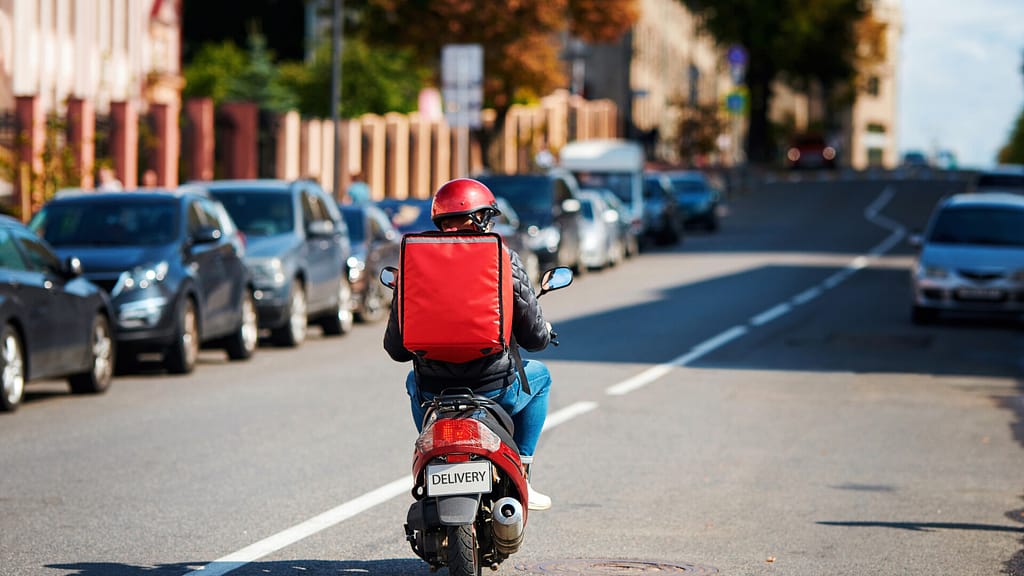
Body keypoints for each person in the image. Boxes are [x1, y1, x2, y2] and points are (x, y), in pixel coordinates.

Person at [384, 177, 555, 511]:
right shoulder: (503, 257)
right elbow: (534, 339)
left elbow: (396, 349)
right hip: (494, 388)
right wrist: (545, 331)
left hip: (434, 390)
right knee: (542, 376)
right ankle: (522, 469)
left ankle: (436, 452)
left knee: (410, 380)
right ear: (480, 219)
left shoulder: (413, 262)